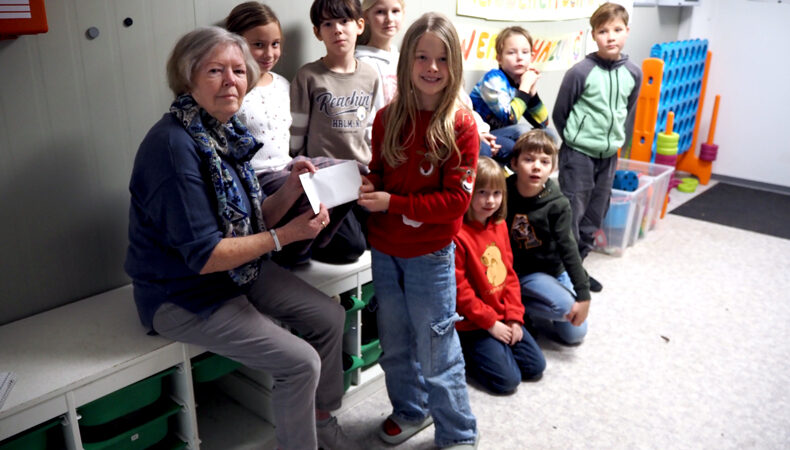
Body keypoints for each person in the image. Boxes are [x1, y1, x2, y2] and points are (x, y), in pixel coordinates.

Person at [124, 27, 356, 450]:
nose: (231, 80)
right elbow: (206, 255)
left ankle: (321, 421)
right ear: (188, 77)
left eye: (237, 70)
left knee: (330, 317)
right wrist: (286, 236)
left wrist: (290, 187)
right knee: (300, 363)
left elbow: (250, 219)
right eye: (215, 70)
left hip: (238, 272)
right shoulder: (173, 147)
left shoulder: (223, 132)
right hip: (183, 293)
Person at [358, 13, 479, 449]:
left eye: (442, 59)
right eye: (423, 57)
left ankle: (459, 432)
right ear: (407, 60)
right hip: (386, 251)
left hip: (430, 256)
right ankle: (412, 409)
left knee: (437, 351)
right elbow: (378, 173)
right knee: (393, 344)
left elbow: (456, 203)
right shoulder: (387, 118)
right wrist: (369, 184)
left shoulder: (461, 126)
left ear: (454, 65)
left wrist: (394, 203)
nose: (432, 68)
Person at [226, 1, 366, 266]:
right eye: (259, 45)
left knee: (352, 171)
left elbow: (292, 136)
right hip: (259, 178)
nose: (269, 53)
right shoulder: (232, 90)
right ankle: (295, 251)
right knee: (306, 189)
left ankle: (319, 239)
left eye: (275, 44)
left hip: (287, 166)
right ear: (236, 43)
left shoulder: (282, 84)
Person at [552, 2, 641, 292]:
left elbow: (627, 112)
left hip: (609, 157)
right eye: (603, 31)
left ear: (627, 31)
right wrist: (577, 142)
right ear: (593, 35)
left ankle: (578, 269)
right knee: (571, 216)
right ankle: (559, 273)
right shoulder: (580, 72)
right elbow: (560, 114)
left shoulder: (633, 73)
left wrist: (611, 143)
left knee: (594, 215)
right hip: (578, 155)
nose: (611, 36)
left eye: (617, 30)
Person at [454, 156, 545, 394]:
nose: (490, 201)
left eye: (497, 193)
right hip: (474, 325)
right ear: (469, 193)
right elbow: (460, 292)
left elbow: (510, 276)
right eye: (482, 192)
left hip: (502, 315)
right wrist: (490, 324)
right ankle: (465, 353)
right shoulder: (457, 234)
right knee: (508, 382)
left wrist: (514, 317)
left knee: (536, 367)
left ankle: (497, 346)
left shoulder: (500, 225)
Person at [506, 130, 591, 345]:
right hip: (520, 273)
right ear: (514, 164)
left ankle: (524, 304)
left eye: (544, 162)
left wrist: (584, 295)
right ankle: (518, 307)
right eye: (529, 159)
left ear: (552, 168)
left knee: (575, 334)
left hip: (553, 270)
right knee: (563, 307)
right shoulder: (502, 192)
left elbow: (569, 248)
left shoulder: (557, 203)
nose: (536, 167)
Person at [290, 0, 384, 164]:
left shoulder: (370, 75)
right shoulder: (307, 76)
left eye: (344, 21)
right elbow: (297, 130)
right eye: (328, 24)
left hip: (360, 168)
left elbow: (370, 127)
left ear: (360, 26)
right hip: (320, 170)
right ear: (318, 32)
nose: (337, 30)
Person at [470, 26, 549, 165]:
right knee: (522, 132)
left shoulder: (521, 81)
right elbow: (510, 118)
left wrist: (532, 91)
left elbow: (543, 123)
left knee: (549, 134)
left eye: (525, 52)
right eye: (511, 53)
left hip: (503, 134)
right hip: (481, 135)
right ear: (499, 58)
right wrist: (524, 87)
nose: (519, 58)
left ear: (532, 57)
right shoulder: (493, 79)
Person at [355, 0, 404, 104]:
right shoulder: (360, 63)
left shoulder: (402, 59)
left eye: (395, 11)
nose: (389, 18)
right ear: (366, 17)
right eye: (380, 12)